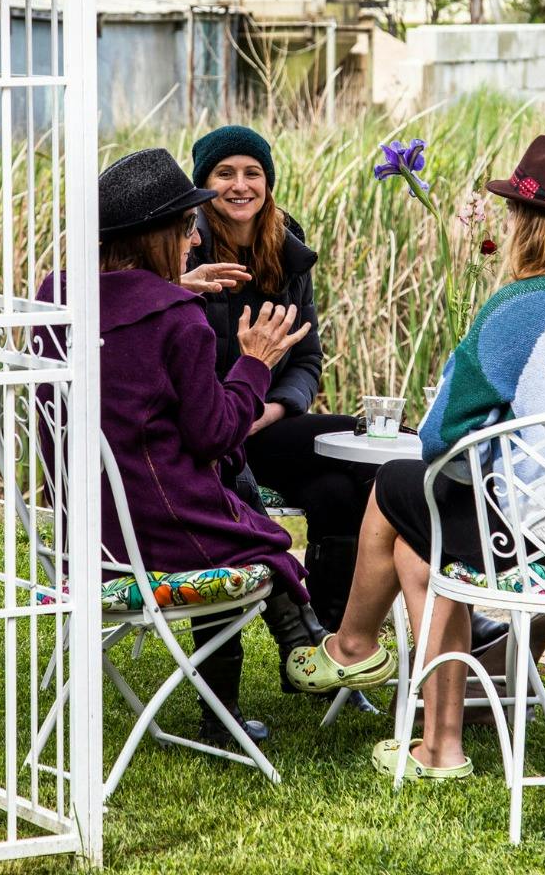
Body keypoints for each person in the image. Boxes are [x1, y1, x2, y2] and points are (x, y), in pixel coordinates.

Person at [287, 135, 545, 781]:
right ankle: (407, 710)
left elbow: (437, 441)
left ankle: (376, 672)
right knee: (425, 540)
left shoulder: (517, 308)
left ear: (529, 226)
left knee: (404, 495)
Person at [35, 147, 325, 746]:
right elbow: (216, 433)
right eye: (184, 228)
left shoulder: (56, 298)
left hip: (86, 533)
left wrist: (167, 288)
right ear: (157, 237)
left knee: (240, 511)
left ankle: (300, 645)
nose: (195, 240)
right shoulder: (178, 319)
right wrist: (254, 364)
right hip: (157, 533)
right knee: (259, 543)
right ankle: (236, 708)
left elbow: (126, 319)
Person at [185, 125, 506, 665]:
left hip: (264, 422)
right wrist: (235, 409)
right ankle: (457, 593)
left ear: (269, 181)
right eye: (225, 174)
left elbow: (307, 359)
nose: (241, 186)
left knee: (338, 488)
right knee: (384, 448)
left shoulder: (285, 246)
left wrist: (266, 410)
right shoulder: (185, 248)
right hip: (208, 436)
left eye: (253, 173)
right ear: (203, 184)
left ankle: (327, 654)